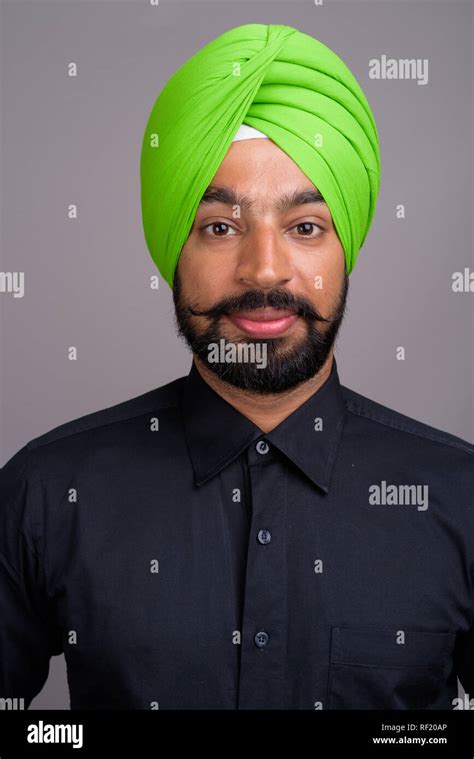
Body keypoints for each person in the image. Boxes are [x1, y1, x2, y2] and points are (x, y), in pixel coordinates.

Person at [0, 23, 472, 711]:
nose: (264, 270)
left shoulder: (458, 498)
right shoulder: (44, 494)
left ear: (348, 247)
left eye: (306, 226)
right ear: (172, 248)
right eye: (220, 226)